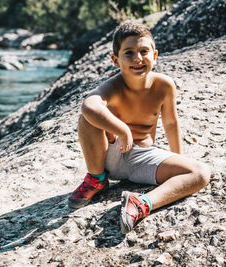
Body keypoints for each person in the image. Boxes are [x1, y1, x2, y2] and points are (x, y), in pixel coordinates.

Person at [68, 22, 211, 234]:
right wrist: (123, 130)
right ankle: (96, 179)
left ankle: (141, 203)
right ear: (115, 60)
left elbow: (170, 122)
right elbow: (89, 106)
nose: (137, 58)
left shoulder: (164, 85)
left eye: (144, 51)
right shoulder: (113, 87)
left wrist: (177, 159)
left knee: (200, 173)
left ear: (154, 55)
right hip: (109, 156)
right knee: (87, 118)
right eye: (129, 53)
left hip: (141, 159)